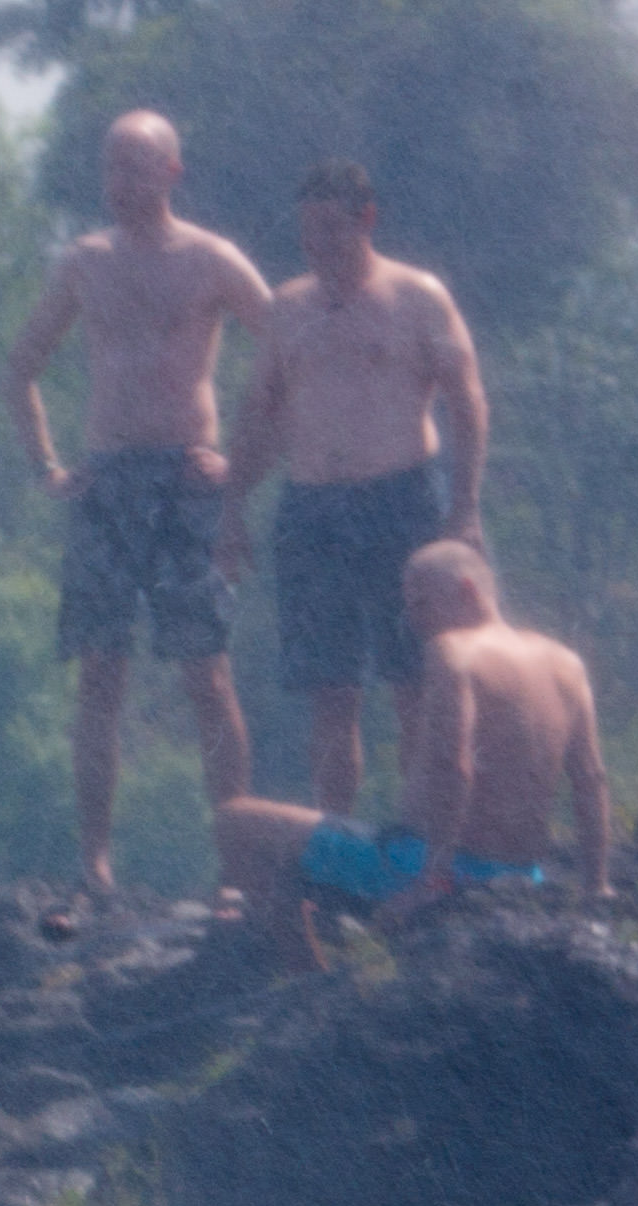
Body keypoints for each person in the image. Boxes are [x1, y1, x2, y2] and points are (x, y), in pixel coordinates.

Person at [1, 109, 272, 898]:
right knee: (99, 675)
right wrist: (46, 466)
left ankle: (237, 861)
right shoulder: (84, 262)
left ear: (171, 171)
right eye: (111, 167)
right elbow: (19, 367)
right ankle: (94, 862)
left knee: (206, 676)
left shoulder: (211, 259)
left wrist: (239, 465)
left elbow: (286, 351)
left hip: (188, 481)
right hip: (106, 478)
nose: (121, 182)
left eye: (137, 166)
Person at [218, 160, 490, 821]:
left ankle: (425, 836)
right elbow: (258, 414)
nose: (319, 245)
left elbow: (466, 401)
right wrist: (230, 507)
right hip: (312, 507)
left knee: (415, 683)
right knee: (328, 691)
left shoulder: (416, 298)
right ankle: (336, 839)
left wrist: (463, 508)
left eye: (332, 229)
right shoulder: (286, 309)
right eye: (308, 232)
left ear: (365, 220)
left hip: (399, 501)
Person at [211, 539, 607, 963]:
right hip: (525, 874)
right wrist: (597, 887)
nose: (412, 620)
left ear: (468, 591)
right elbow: (590, 779)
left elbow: (454, 766)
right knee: (324, 837)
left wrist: (432, 882)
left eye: (421, 604)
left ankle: (305, 977)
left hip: (434, 868)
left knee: (235, 821)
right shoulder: (566, 663)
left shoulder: (455, 652)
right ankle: (327, 930)